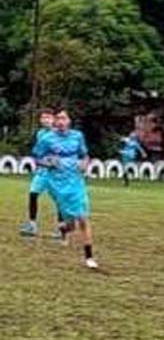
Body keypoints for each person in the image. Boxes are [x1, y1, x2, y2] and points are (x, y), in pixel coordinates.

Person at [32, 108, 99, 269]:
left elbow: (85, 155)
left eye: (64, 118)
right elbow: (36, 158)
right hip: (57, 184)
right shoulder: (46, 138)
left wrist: (84, 164)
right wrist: (48, 163)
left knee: (83, 217)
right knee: (71, 224)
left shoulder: (77, 136)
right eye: (58, 119)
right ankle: (63, 227)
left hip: (76, 182)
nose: (61, 121)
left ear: (69, 121)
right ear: (54, 122)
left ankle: (89, 257)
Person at [19, 109, 60, 238]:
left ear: (53, 119)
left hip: (55, 173)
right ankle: (32, 225)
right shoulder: (40, 133)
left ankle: (61, 229)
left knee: (59, 201)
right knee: (33, 195)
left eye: (48, 117)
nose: (45, 120)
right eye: (43, 118)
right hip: (42, 172)